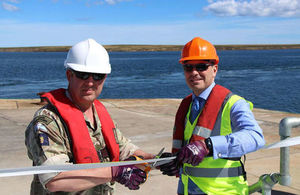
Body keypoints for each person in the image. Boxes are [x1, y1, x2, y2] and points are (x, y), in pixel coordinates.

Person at [25, 38, 154, 195]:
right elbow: (55, 179)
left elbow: (125, 149)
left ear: (105, 77)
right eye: (83, 75)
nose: (91, 82)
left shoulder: (99, 114)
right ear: (69, 75)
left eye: (98, 76)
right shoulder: (47, 121)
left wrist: (159, 160)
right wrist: (116, 172)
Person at [159, 37, 265, 195]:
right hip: (187, 188)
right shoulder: (186, 105)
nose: (194, 73)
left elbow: (255, 137)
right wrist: (174, 160)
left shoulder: (233, 104)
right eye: (188, 67)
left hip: (223, 191)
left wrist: (208, 146)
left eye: (201, 66)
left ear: (214, 69)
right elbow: (189, 146)